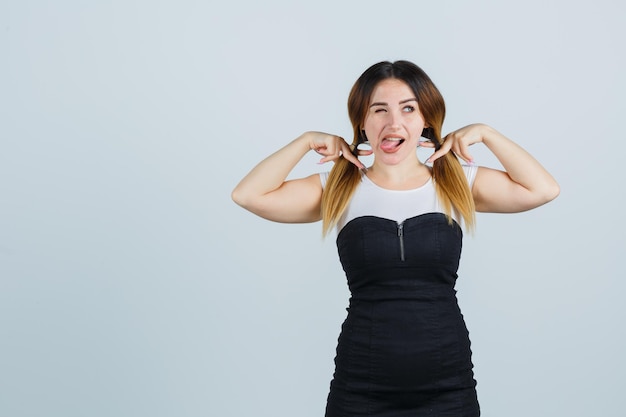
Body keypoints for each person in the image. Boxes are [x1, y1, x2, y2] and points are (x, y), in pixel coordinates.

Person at [231, 60, 559, 417]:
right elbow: (249, 195)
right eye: (379, 110)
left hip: (448, 389)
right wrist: (306, 141)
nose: (393, 123)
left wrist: (486, 132)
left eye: (408, 108)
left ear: (426, 120)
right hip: (360, 388)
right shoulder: (338, 187)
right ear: (361, 121)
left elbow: (543, 189)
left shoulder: (457, 181)